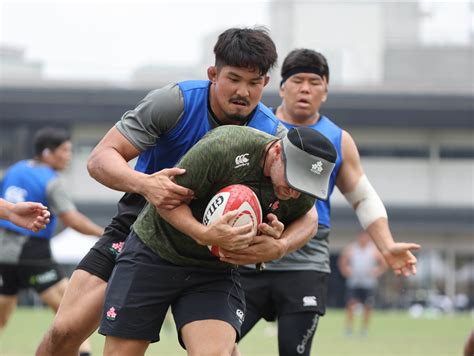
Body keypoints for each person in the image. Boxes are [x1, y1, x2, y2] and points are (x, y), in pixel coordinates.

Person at [36, 27, 314, 356]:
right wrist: (146, 184)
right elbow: (100, 159)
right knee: (66, 330)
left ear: (265, 84)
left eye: (254, 83)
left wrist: (278, 245)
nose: (243, 91)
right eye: (234, 78)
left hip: (210, 248)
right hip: (139, 223)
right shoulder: (176, 102)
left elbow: (309, 216)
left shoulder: (273, 137)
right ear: (213, 74)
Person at [226, 48, 421, 356]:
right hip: (248, 257)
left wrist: (386, 246)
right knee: (216, 346)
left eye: (315, 82)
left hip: (306, 260)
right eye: (298, 80)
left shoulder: (338, 139)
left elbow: (363, 197)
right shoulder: (253, 126)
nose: (305, 88)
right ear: (281, 87)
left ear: (325, 91)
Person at [99, 125, 337, 355]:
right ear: (276, 152)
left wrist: (280, 245)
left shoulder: (302, 190)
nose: (295, 193)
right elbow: (165, 200)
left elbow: (310, 221)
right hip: (154, 252)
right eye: (293, 180)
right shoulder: (223, 148)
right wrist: (202, 234)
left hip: (213, 271)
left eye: (304, 186)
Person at [0, 128, 104, 355]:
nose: (68, 155)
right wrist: (103, 233)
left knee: (1, 318)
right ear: (48, 153)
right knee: (72, 313)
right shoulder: (50, 180)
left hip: (2, 251)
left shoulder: (15, 169)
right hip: (31, 251)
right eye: (65, 150)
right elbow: (72, 219)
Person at [338, 230, 387, 336]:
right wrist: (346, 270)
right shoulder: (352, 248)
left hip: (368, 283)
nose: (364, 239)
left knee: (368, 307)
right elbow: (343, 261)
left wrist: (377, 271)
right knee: (351, 305)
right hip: (354, 282)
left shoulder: (373, 249)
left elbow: (383, 263)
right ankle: (349, 329)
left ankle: (364, 329)